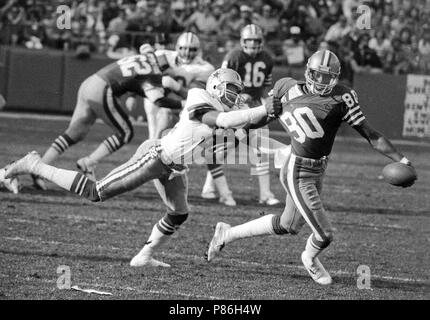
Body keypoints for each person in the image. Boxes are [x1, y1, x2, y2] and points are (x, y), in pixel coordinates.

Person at [3, 68, 282, 268]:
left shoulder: (223, 109)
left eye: (237, 92)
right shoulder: (200, 98)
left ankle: (143, 256)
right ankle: (34, 165)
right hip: (155, 157)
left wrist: (270, 113)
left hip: (175, 167)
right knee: (95, 192)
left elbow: (242, 124)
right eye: (231, 90)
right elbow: (220, 120)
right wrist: (260, 109)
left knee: (179, 213)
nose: (235, 95)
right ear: (216, 86)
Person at [206, 50, 416, 286]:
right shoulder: (286, 87)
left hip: (318, 168)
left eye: (327, 77)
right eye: (317, 75)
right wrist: (240, 132)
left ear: (335, 78)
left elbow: (371, 135)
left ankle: (227, 233)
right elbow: (265, 116)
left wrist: (403, 160)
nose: (321, 82)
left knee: (289, 224)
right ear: (308, 71)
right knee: (324, 234)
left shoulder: (343, 97)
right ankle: (309, 259)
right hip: (297, 170)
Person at [31, 47, 187, 190]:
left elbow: (137, 75)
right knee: (125, 132)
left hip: (90, 82)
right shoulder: (154, 75)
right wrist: (184, 103)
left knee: (74, 133)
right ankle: (89, 162)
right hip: (103, 88)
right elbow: (158, 100)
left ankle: (39, 167)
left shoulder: (149, 55)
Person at [201, 24, 280, 207]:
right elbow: (221, 80)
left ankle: (266, 194)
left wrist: (262, 104)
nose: (252, 45)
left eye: (256, 41)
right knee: (224, 148)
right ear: (242, 41)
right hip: (234, 107)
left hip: (254, 107)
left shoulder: (267, 58)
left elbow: (265, 86)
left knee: (259, 150)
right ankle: (209, 187)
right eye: (249, 41)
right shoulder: (234, 57)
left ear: (261, 42)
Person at [143, 32, 215, 140]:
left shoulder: (205, 68)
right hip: (160, 101)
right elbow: (143, 75)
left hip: (182, 103)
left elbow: (194, 93)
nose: (187, 52)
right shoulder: (163, 55)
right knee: (156, 131)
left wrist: (174, 85)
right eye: (183, 48)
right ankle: (152, 144)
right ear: (177, 47)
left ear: (198, 50)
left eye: (192, 49)